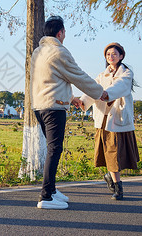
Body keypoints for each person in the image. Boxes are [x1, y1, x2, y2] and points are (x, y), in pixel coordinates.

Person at [30, 15, 108, 209]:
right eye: (64, 32)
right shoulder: (59, 52)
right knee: (54, 150)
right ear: (60, 33)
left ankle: (52, 190)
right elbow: (78, 76)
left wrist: (70, 98)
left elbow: (51, 80)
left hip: (40, 105)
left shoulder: (37, 52)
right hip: (54, 107)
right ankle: (46, 197)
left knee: (52, 149)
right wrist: (100, 92)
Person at [76, 42, 139, 200]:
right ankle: (118, 187)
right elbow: (93, 90)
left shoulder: (126, 74)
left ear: (121, 56)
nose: (111, 57)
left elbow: (120, 87)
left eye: (114, 54)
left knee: (115, 154)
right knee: (110, 154)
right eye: (108, 54)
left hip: (118, 118)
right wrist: (83, 101)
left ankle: (113, 179)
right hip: (102, 118)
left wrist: (106, 94)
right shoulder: (101, 76)